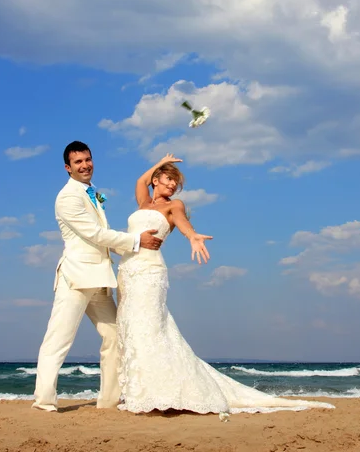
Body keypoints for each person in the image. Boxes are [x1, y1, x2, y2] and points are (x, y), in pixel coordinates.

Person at [116, 154, 334, 415]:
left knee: (150, 328)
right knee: (131, 328)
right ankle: (138, 392)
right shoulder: (143, 203)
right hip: (127, 271)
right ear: (156, 180)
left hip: (151, 272)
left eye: (176, 181)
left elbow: (183, 222)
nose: (173, 185)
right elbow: (141, 179)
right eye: (168, 179)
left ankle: (159, 394)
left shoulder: (174, 206)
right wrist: (160, 162)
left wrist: (192, 236)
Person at [32, 141, 162, 412]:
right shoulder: (67, 197)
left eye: (87, 159)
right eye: (78, 162)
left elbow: (102, 238)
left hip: (101, 278)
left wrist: (135, 250)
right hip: (76, 278)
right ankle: (44, 402)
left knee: (115, 335)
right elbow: (94, 234)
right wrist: (136, 240)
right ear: (68, 168)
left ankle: (109, 400)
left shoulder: (92, 193)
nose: (85, 165)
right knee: (58, 340)